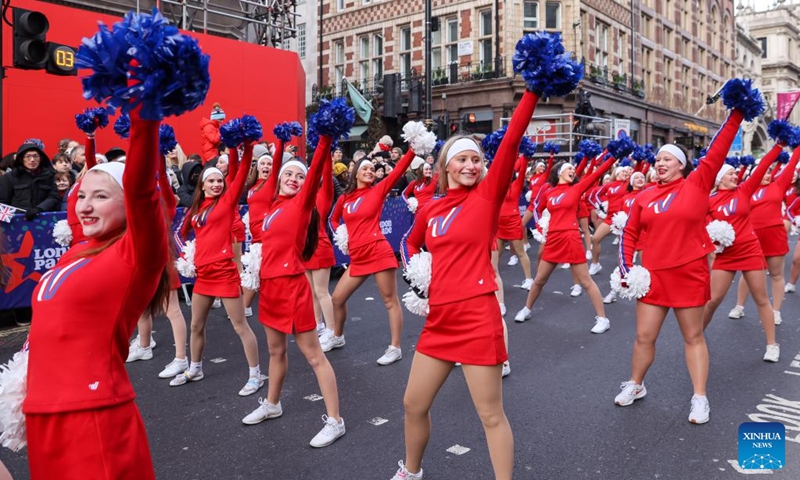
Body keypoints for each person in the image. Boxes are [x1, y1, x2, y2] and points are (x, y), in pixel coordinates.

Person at [392, 88, 538, 480]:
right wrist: (417, 274)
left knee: (490, 415)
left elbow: (510, 143)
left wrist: (533, 90)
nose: (472, 165)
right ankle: (412, 471)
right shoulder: (431, 208)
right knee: (413, 404)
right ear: (446, 167)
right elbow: (409, 242)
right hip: (440, 318)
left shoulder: (487, 198)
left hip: (477, 316)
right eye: (463, 159)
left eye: (477, 159)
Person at [23, 107, 169, 480]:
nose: (85, 207)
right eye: (81, 195)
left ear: (128, 205)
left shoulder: (134, 255)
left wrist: (143, 111)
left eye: (100, 197)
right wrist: (89, 143)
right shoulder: (78, 250)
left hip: (93, 414)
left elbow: (141, 188)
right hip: (41, 414)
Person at [614, 82, 756, 425]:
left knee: (693, 336)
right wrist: (626, 269)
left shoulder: (697, 184)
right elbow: (629, 234)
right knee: (643, 337)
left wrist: (736, 112)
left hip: (690, 273)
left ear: (680, 165)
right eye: (657, 159)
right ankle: (636, 384)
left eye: (667, 159)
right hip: (654, 277)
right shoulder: (645, 196)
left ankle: (699, 398)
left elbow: (719, 148)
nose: (659, 163)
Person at [241, 130, 346, 447]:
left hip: (292, 288)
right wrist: (274, 148)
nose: (293, 178)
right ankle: (272, 404)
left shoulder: (303, 206)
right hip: (269, 288)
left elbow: (314, 173)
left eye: (299, 176)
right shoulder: (272, 206)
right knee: (275, 351)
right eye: (287, 173)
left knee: (314, 357)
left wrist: (324, 141)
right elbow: (268, 174)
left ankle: (336, 420)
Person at [171, 140, 263, 396]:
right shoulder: (197, 210)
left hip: (223, 273)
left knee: (240, 325)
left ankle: (256, 375)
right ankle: (195, 368)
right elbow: (179, 233)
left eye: (219, 181)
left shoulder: (225, 204)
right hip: (204, 275)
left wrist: (238, 146)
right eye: (211, 181)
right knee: (196, 325)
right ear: (202, 184)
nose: (216, 184)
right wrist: (188, 255)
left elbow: (240, 172)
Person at [325, 147, 417, 365]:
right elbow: (333, 219)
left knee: (390, 301)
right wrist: (342, 234)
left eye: (372, 169)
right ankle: (337, 336)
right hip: (357, 258)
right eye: (364, 168)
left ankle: (395, 348)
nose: (369, 171)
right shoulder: (345, 198)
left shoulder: (378, 190)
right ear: (355, 173)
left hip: (378, 251)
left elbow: (399, 169)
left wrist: (413, 148)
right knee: (337, 299)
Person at [514, 155, 615, 332]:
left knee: (586, 281)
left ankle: (602, 319)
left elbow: (597, 172)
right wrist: (540, 227)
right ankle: (527, 308)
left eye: (573, 170)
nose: (573, 171)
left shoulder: (576, 188)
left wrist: (613, 156)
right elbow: (537, 209)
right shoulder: (549, 192)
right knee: (539, 280)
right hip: (553, 238)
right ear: (560, 172)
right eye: (569, 168)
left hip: (570, 237)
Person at [703, 142, 784, 362]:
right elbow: (702, 222)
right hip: (725, 254)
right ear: (719, 178)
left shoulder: (744, 190)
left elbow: (763, 166)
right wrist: (713, 235)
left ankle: (771, 345)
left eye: (735, 173)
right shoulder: (709, 200)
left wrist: (779, 145)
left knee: (761, 299)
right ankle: (696, 337)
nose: (735, 176)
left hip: (749, 250)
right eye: (730, 173)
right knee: (712, 300)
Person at [126, 156, 191, 378]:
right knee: (142, 308)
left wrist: (160, 156)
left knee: (172, 310)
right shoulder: (136, 208)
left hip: (163, 264)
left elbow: (162, 178)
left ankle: (181, 358)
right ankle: (144, 347)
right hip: (142, 265)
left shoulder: (167, 205)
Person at [728, 149, 800, 326]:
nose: (767, 174)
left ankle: (776, 311)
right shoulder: (746, 190)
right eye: (764, 171)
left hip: (774, 235)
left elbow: (791, 166)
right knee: (747, 273)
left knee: (776, 275)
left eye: (769, 171)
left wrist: (797, 146)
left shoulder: (778, 185)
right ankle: (739, 306)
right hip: (751, 236)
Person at [588, 165, 632, 275]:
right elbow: (595, 195)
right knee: (596, 238)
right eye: (623, 171)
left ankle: (626, 268)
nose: (625, 173)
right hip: (610, 218)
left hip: (623, 218)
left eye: (626, 172)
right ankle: (595, 264)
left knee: (623, 245)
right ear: (616, 173)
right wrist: (601, 205)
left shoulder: (627, 184)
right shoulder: (610, 185)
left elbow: (638, 172)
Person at [0, 142, 61, 218]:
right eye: (28, 156)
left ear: (41, 158)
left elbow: (53, 197)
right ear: (21, 159)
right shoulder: (9, 177)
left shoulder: (49, 176)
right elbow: (3, 202)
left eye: (36, 156)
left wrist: (39, 208)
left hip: (42, 218)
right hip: (17, 220)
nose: (32, 160)